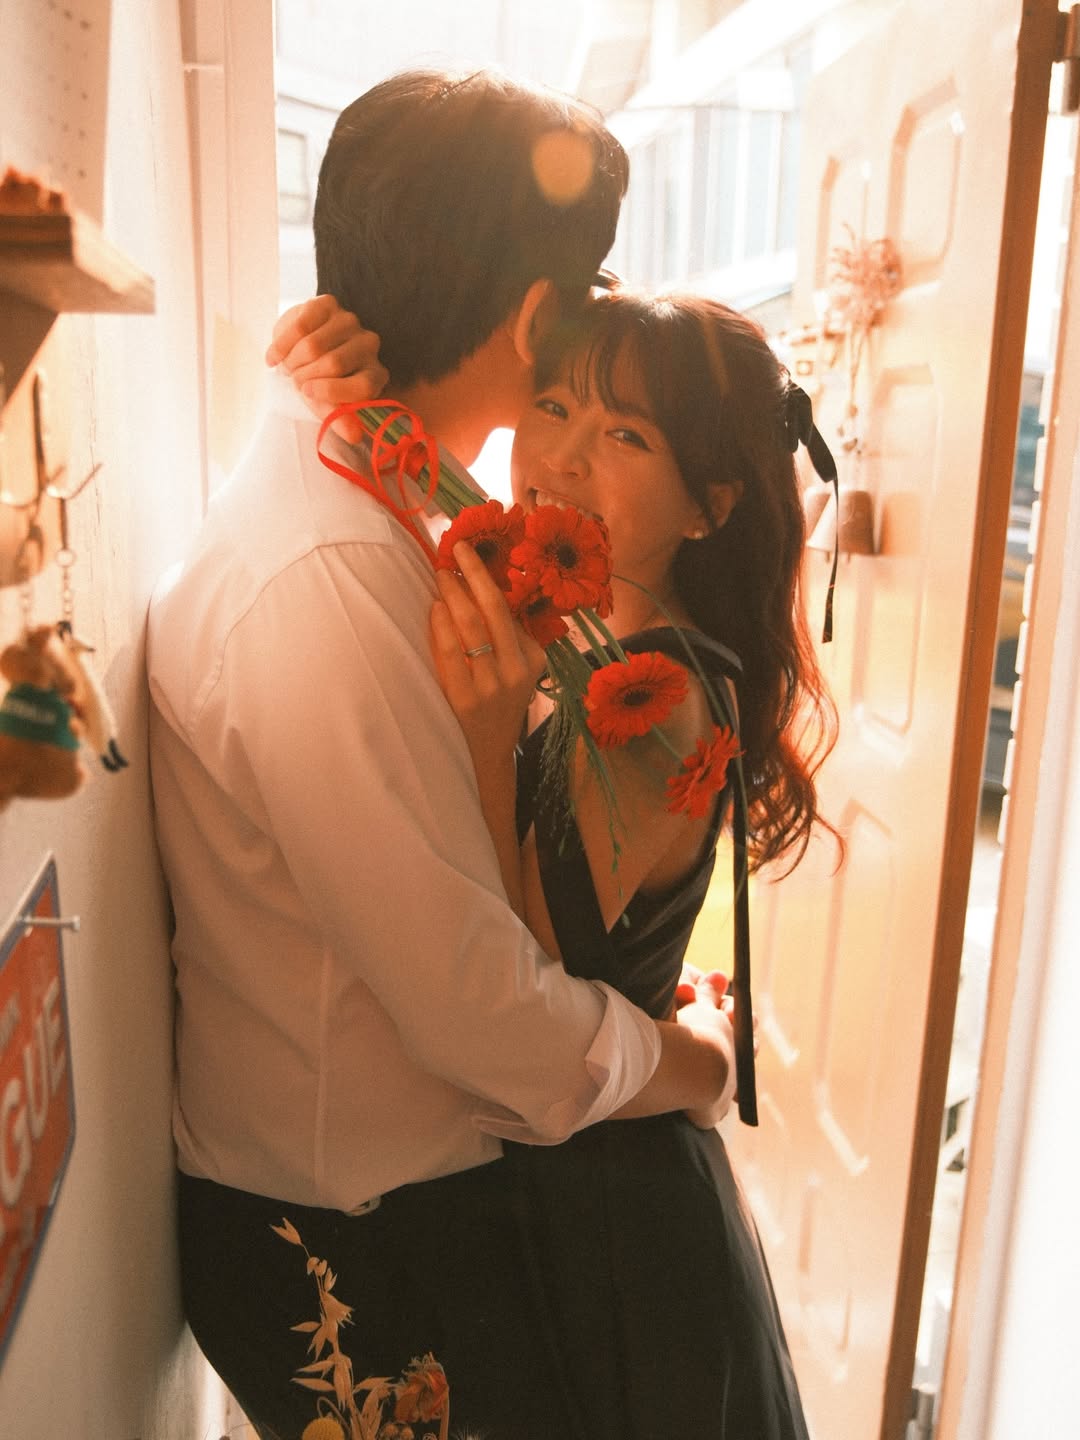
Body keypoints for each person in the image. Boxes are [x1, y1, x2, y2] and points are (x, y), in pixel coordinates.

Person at [146, 70, 740, 1440]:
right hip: (349, 1248)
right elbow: (481, 1018)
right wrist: (689, 1064)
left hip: (383, 1201)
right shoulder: (329, 576)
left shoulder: (369, 470)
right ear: (536, 317)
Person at [280, 281, 838, 1438]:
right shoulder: (583, 632)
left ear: (710, 505)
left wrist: (491, 739)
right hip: (592, 1172)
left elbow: (526, 977)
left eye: (626, 436)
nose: (562, 457)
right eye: (553, 407)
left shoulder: (659, 695)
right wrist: (321, 372)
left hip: (614, 1225)